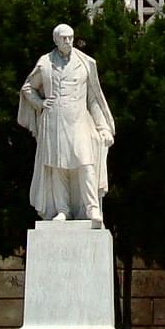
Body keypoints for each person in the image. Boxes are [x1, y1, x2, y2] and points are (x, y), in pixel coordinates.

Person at [18, 23, 116, 224]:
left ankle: (92, 208)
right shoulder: (45, 63)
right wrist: (41, 103)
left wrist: (103, 127)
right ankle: (62, 209)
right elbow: (28, 88)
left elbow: (94, 99)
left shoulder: (86, 63)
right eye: (64, 38)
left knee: (86, 162)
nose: (68, 41)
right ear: (55, 40)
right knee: (57, 166)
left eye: (71, 37)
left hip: (80, 120)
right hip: (54, 120)